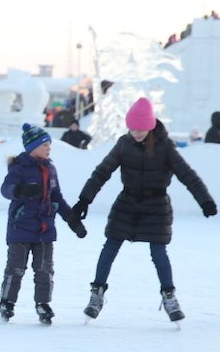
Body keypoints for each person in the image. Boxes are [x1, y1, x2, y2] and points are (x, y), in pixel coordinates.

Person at [72, 97, 216, 323]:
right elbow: (102, 172)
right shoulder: (123, 144)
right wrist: (84, 200)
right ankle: (96, 295)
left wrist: (205, 201)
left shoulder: (165, 147)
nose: (136, 133)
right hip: (127, 202)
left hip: (156, 205)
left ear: (149, 126)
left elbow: (187, 175)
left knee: (158, 252)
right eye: (133, 128)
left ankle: (169, 297)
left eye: (141, 129)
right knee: (110, 246)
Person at [0, 124, 87, 324]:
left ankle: (43, 304)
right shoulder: (19, 168)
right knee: (15, 268)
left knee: (45, 270)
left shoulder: (51, 168)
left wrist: (72, 219)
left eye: (49, 144)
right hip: (20, 229)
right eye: (45, 144)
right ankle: (7, 302)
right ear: (32, 147)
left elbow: (57, 197)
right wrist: (19, 190)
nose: (49, 148)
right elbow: (5, 189)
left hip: (45, 230)